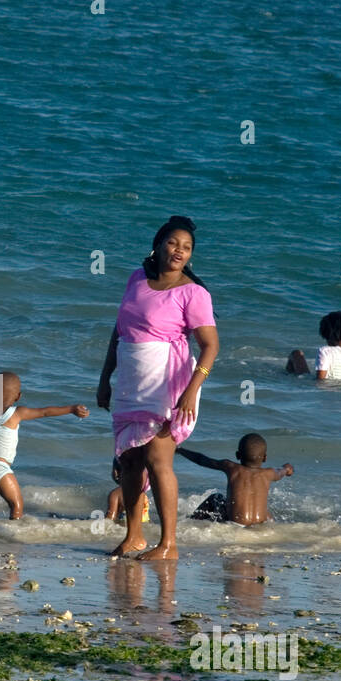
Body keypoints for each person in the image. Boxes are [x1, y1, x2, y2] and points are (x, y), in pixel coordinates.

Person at [97, 215, 219, 560]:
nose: (179, 250)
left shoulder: (193, 293)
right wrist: (104, 378)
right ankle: (134, 536)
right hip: (130, 382)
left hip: (168, 383)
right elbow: (119, 331)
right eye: (173, 243)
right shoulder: (136, 279)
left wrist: (192, 390)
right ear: (158, 244)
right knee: (130, 460)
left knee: (158, 458)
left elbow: (210, 345)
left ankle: (168, 544)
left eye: (187, 247)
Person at [0, 371, 88, 519]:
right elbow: (45, 412)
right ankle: (13, 534)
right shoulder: (17, 412)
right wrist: (71, 409)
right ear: (18, 396)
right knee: (16, 504)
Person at [177, 434, 293, 525]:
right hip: (259, 527)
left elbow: (201, 460)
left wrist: (179, 450)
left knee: (216, 498)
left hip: (235, 525)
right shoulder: (269, 473)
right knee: (266, 513)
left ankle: (190, 523)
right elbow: (281, 471)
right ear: (265, 458)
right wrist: (287, 468)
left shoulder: (231, 467)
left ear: (238, 455)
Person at [286, 311, 341, 381]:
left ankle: (286, 378)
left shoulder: (325, 351)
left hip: (325, 387)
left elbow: (320, 381)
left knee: (296, 353)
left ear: (327, 332)